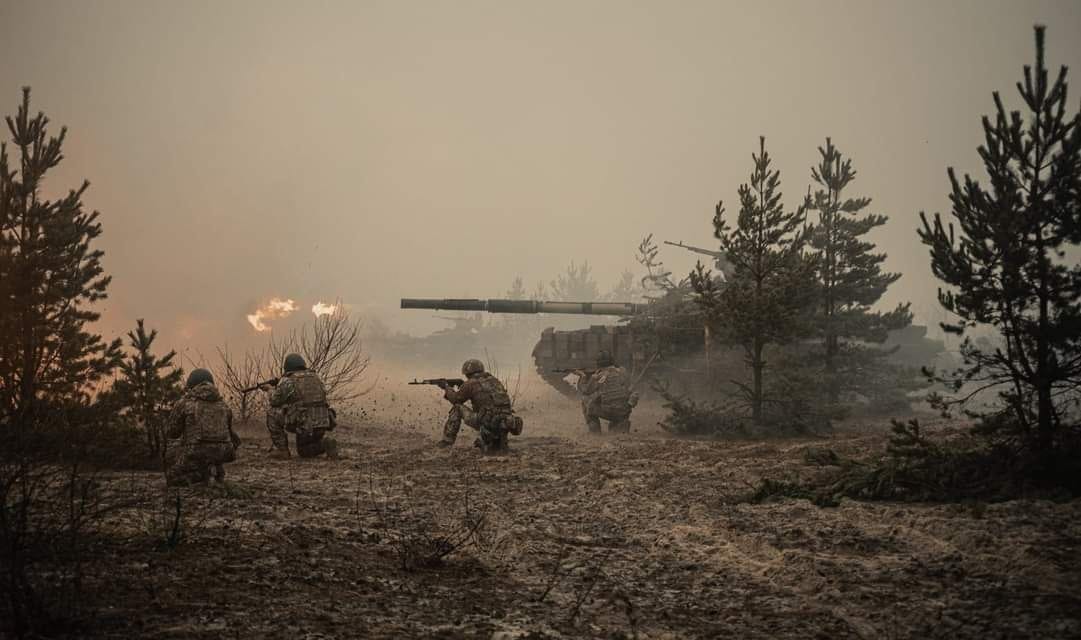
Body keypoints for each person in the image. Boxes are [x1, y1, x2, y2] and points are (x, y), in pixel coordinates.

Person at [165, 368, 241, 486]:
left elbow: (172, 433)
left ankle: (201, 475)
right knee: (211, 452)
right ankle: (214, 467)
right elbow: (233, 437)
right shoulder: (224, 405)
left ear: (191, 384)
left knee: (172, 477)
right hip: (224, 452)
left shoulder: (184, 403)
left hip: (195, 453)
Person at [439, 358, 523, 453]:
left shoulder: (470, 383)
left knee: (457, 408)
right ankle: (496, 441)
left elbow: (456, 399)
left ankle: (447, 441)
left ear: (467, 373)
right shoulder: (495, 381)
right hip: (506, 421)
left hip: (487, 421)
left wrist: (446, 387)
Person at [266, 353, 338, 459]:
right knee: (304, 452)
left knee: (272, 413)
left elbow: (274, 401)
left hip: (303, 423)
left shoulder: (288, 381)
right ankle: (324, 443)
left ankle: (282, 450)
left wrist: (269, 390)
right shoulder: (316, 378)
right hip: (322, 422)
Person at [574, 351, 637, 434]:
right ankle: (620, 423)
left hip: (609, 411)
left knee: (585, 400)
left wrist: (583, 377)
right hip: (624, 411)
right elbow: (632, 390)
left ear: (598, 363)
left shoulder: (599, 376)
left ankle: (595, 432)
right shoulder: (623, 371)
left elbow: (586, 391)